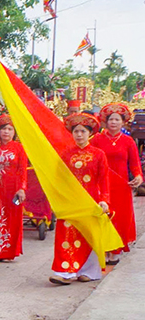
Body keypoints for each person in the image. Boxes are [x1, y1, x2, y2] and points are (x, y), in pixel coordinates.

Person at [50, 113, 111, 285]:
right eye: (76, 131)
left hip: (90, 201)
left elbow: (104, 179)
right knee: (65, 234)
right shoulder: (65, 154)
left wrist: (104, 200)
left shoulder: (98, 154)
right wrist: (58, 200)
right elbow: (59, 180)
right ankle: (65, 272)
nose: (79, 135)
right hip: (70, 202)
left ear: (89, 133)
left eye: (83, 131)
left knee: (88, 235)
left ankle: (88, 271)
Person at [91, 102, 142, 264]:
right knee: (103, 216)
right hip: (100, 184)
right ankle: (103, 248)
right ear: (105, 121)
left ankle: (116, 249)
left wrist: (139, 176)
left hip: (121, 185)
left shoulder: (128, 141)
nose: (113, 122)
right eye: (111, 119)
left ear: (123, 122)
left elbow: (135, 164)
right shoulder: (96, 140)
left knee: (119, 217)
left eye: (117, 120)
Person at [0, 114, 28, 262]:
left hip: (12, 188)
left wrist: (21, 188)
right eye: (4, 129)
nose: (6, 132)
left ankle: (8, 253)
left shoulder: (19, 148)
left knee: (12, 217)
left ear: (14, 132)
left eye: (10, 129)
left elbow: (22, 170)